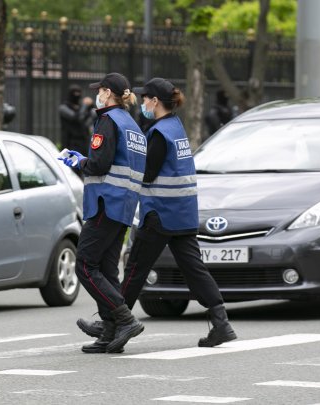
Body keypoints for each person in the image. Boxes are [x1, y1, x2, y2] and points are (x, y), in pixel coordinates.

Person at [95, 77, 236, 350]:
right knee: (195, 270)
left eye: (146, 98)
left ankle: (115, 324)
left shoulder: (159, 133)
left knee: (135, 269)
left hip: (160, 213)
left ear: (155, 101)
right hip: (182, 213)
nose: (143, 103)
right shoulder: (176, 128)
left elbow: (147, 174)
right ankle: (221, 323)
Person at [59, 73, 146, 354]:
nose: (98, 95)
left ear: (108, 93)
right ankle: (110, 332)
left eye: (101, 91)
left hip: (105, 202)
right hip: (123, 205)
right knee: (108, 269)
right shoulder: (131, 124)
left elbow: (99, 164)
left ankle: (124, 319)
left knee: (85, 264)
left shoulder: (108, 120)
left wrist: (79, 160)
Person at [59, 84, 95, 153]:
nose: (77, 95)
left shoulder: (81, 107)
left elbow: (89, 119)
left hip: (84, 142)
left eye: (79, 92)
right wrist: (85, 105)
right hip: (69, 143)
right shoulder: (64, 108)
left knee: (83, 162)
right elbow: (77, 118)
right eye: (75, 93)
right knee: (71, 162)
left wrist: (91, 105)